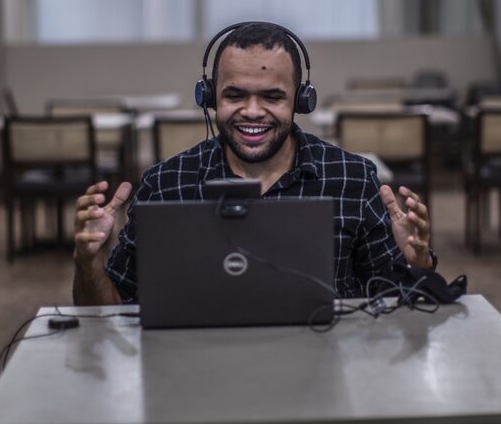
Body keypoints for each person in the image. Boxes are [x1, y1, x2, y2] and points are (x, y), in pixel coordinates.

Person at [73, 22, 432, 305]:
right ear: (211, 98)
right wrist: (87, 263)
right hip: (191, 378)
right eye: (235, 95)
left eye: (273, 97)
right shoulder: (165, 185)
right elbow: (108, 312)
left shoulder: (351, 179)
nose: (253, 111)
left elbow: (396, 309)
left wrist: (416, 264)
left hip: (322, 375)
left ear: (300, 101)